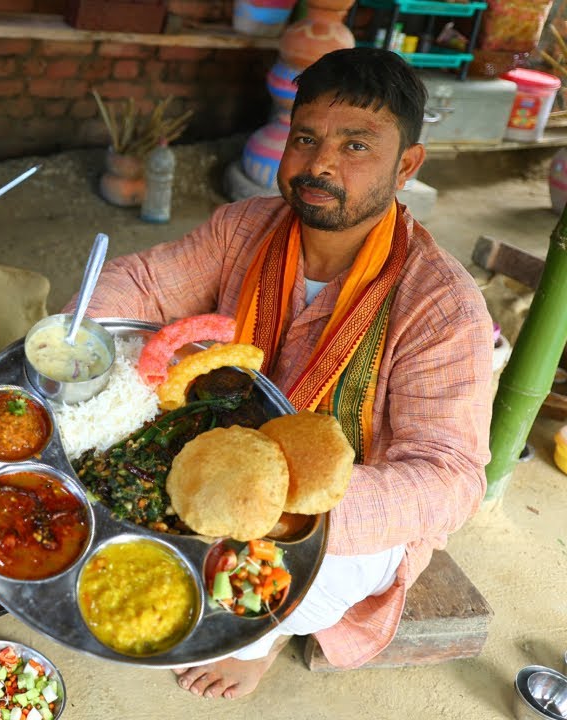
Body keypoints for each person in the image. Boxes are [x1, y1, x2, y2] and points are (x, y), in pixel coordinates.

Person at [81, 47, 492, 697]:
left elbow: (450, 478)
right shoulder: (246, 226)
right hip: (217, 448)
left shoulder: (443, 308)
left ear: (407, 165)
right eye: (306, 138)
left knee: (291, 585)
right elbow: (142, 283)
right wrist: (76, 343)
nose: (321, 164)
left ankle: (263, 641)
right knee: (107, 369)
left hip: (340, 509)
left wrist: (285, 508)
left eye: (357, 145)